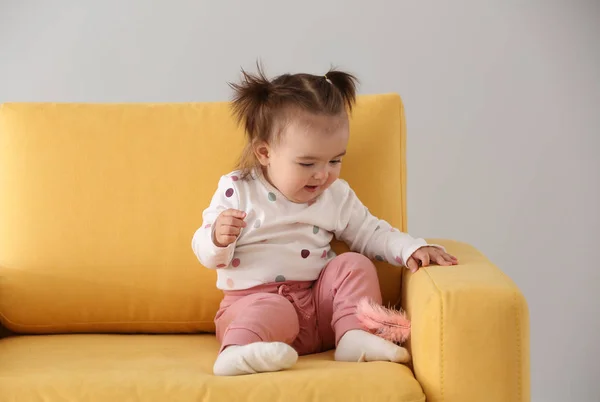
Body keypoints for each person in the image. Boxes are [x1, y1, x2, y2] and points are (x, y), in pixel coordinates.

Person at [192, 66, 458, 376]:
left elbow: (370, 232)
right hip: (252, 309)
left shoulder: (334, 195)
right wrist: (217, 238)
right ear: (264, 152)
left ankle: (351, 337)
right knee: (274, 310)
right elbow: (204, 249)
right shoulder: (238, 189)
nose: (323, 174)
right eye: (307, 163)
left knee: (354, 264)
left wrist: (411, 248)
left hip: (318, 311)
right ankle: (237, 353)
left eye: (335, 160)